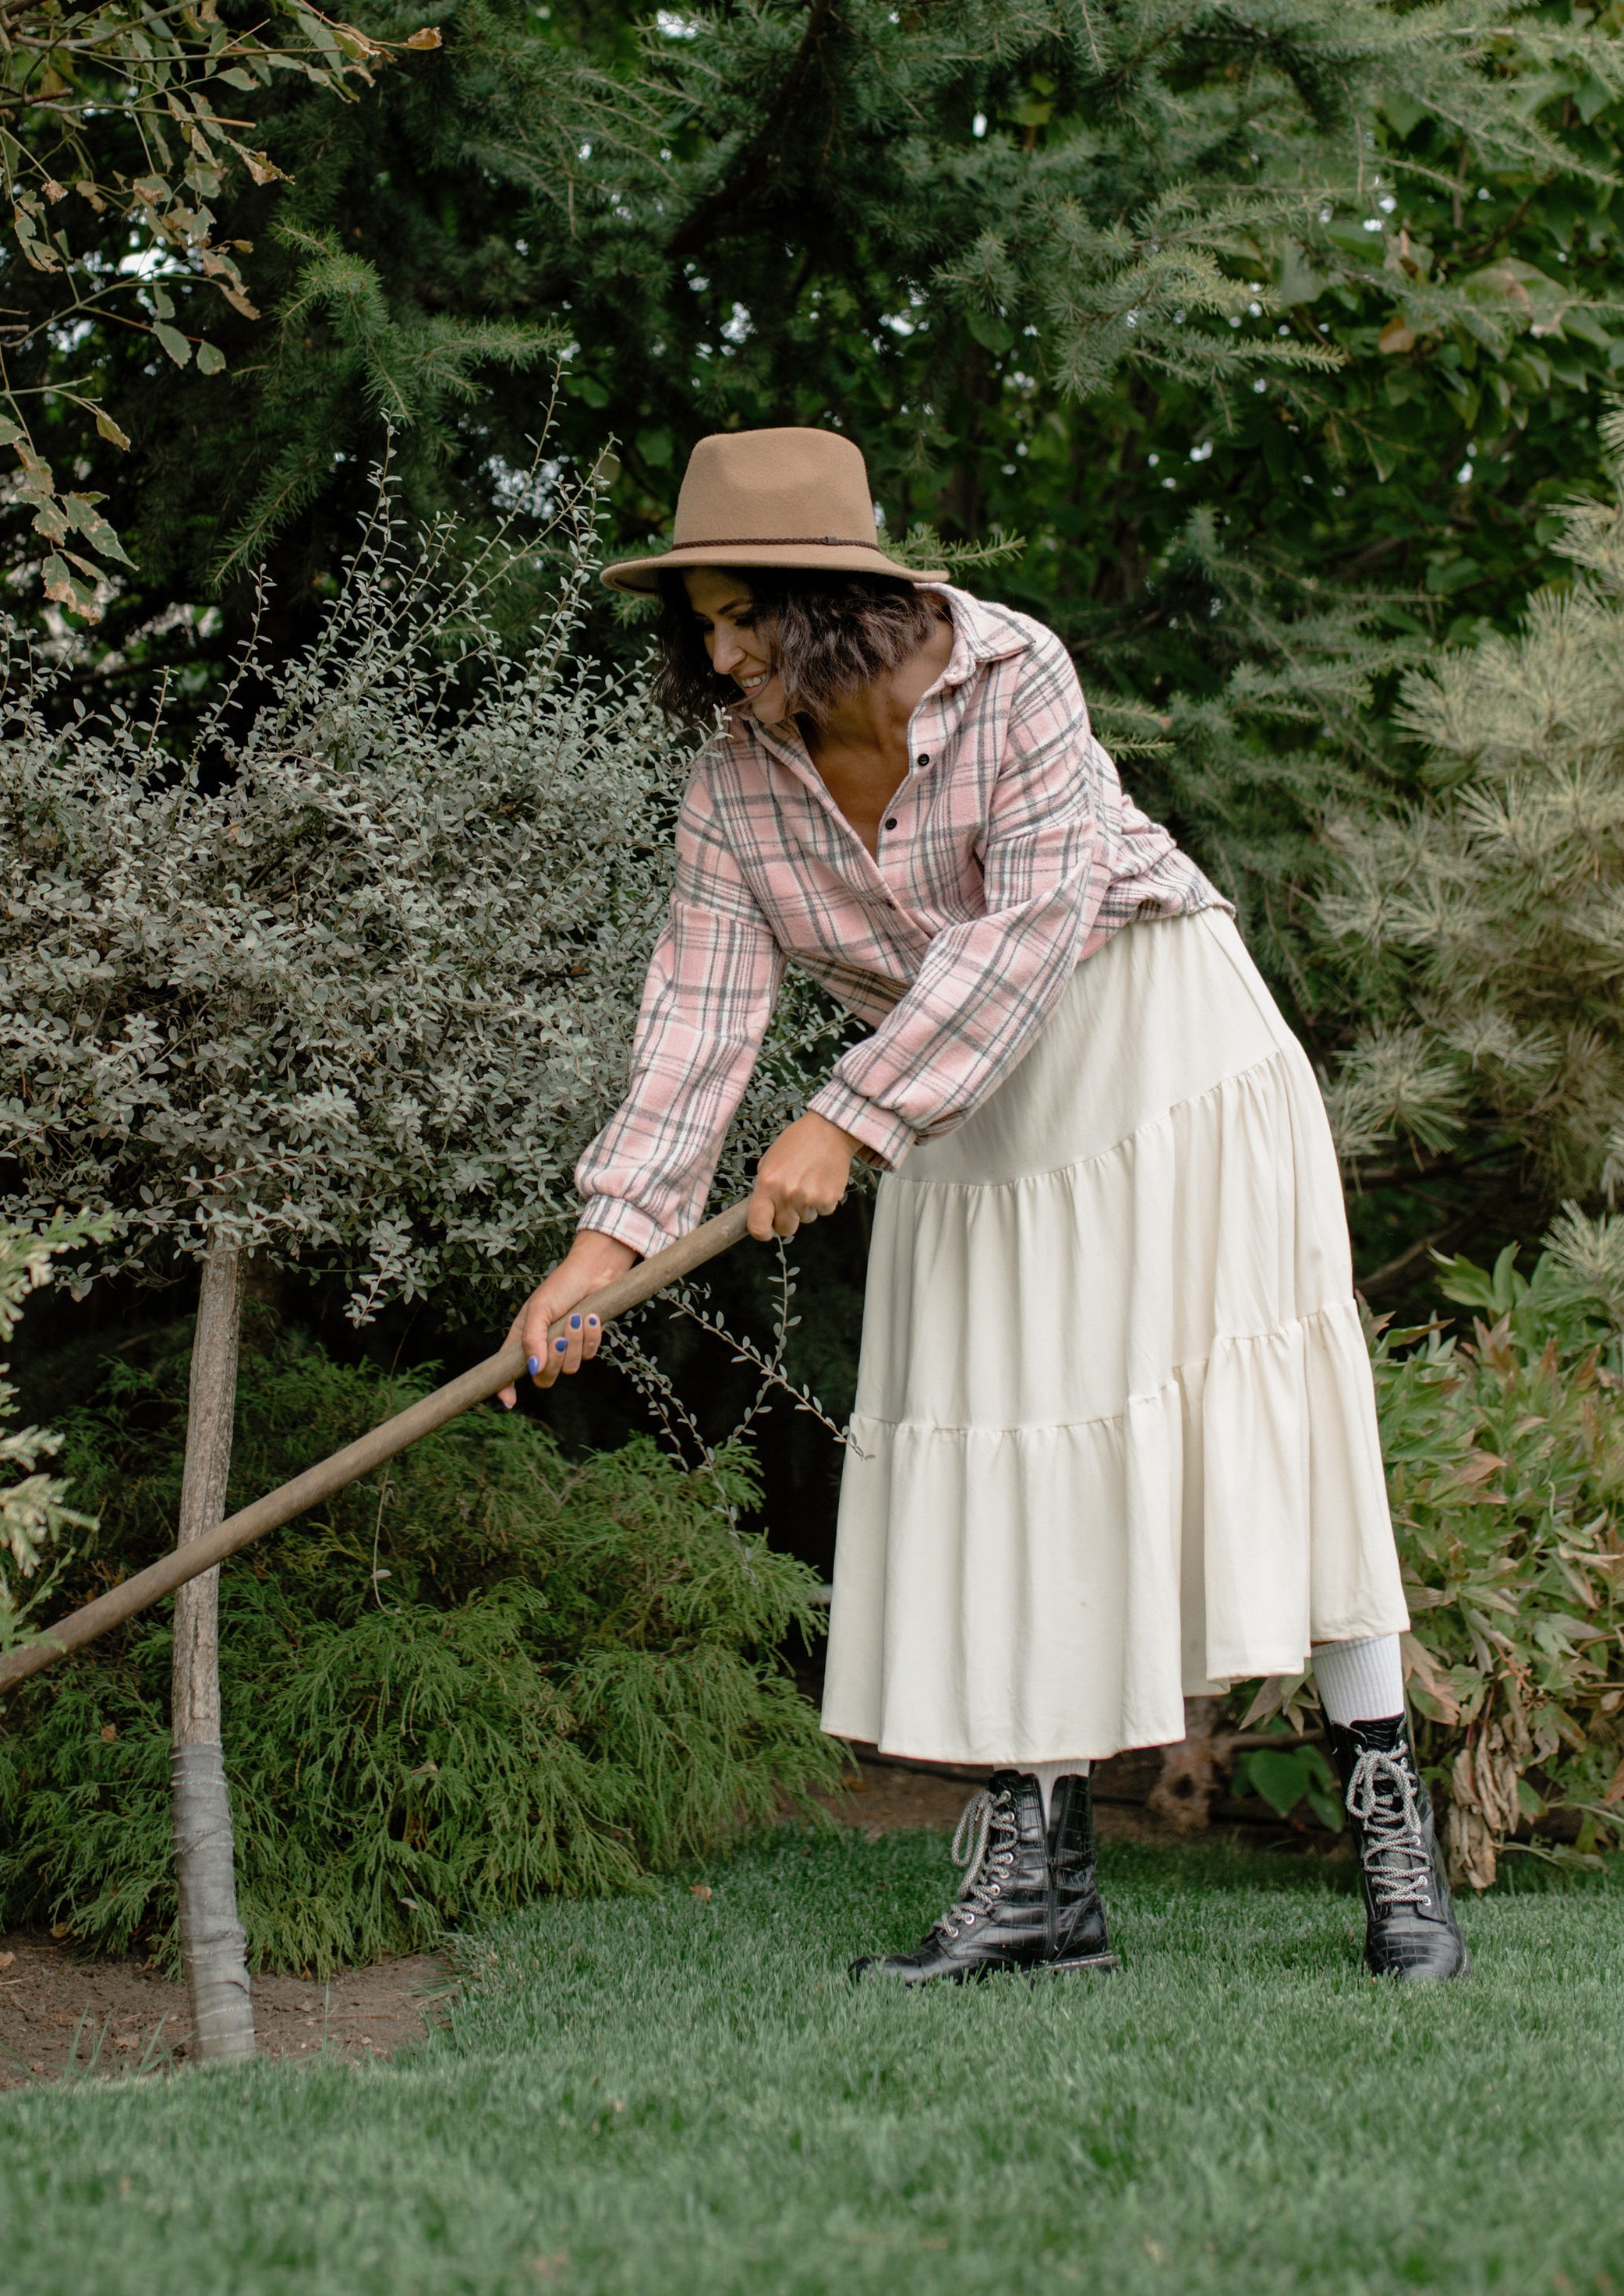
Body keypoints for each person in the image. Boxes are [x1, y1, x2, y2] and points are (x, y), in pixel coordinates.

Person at [503, 425, 1467, 1986]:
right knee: (989, 1463)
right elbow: (692, 1020)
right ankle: (1039, 1894)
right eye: (700, 621)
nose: (718, 648)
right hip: (953, 1098)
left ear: (833, 605)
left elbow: (1028, 928)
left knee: (1265, 1438)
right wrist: (599, 1250)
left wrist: (843, 1115)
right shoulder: (732, 784)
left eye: (742, 611)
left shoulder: (1013, 677)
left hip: (1149, 1047)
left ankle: (1395, 1864)